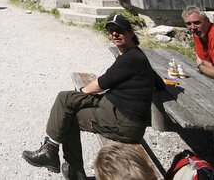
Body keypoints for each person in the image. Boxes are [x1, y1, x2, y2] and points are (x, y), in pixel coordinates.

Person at [22, 15, 165, 180]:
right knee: (65, 100)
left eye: (119, 31)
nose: (115, 34)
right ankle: (53, 151)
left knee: (68, 113)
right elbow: (159, 83)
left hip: (124, 122)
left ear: (131, 33)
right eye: (112, 31)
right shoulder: (136, 55)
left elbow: (101, 83)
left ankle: (66, 165)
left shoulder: (131, 58)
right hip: (115, 108)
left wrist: (81, 93)